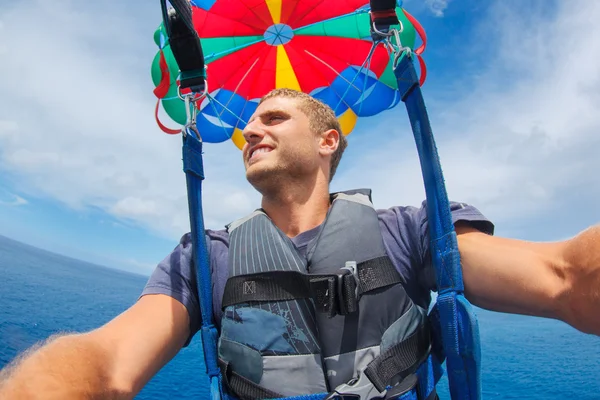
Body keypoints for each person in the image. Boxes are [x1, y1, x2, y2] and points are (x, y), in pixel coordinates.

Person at [0, 88, 598, 399]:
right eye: (249, 125)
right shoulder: (207, 257)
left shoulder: (410, 233)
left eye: (274, 118)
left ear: (328, 141)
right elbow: (108, 363)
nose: (250, 130)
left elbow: (565, 278)